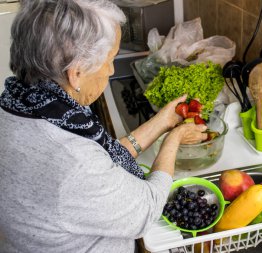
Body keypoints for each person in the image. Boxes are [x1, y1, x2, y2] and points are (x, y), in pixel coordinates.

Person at [0, 1, 208, 252]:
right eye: (110, 59)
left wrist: (164, 122)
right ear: (75, 74)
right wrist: (174, 138)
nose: (110, 70)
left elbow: (105, 162)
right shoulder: (72, 161)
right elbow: (146, 209)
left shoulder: (26, 105)